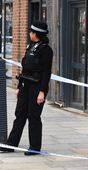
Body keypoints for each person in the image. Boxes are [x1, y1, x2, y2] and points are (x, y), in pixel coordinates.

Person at [0, 21, 53, 155]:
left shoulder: (46, 50)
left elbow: (46, 73)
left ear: (37, 34)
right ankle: (11, 144)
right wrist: (19, 86)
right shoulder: (30, 46)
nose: (29, 33)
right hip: (25, 85)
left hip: (37, 86)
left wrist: (42, 91)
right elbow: (25, 69)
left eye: (31, 31)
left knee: (33, 116)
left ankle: (35, 147)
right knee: (20, 114)